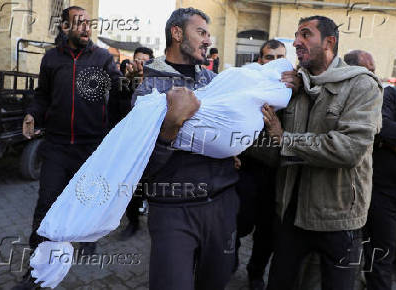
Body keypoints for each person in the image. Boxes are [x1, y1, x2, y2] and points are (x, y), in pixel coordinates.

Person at [248, 16, 383, 290]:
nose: (296, 42)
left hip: (339, 218)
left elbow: (349, 149)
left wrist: (287, 139)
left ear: (329, 42)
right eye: (296, 35)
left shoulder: (361, 85)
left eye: (305, 35)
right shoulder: (294, 87)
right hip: (290, 215)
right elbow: (274, 151)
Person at [131, 8, 239, 290]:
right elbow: (141, 165)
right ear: (177, 34)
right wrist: (171, 128)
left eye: (208, 34)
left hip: (221, 205)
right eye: (200, 32)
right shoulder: (149, 91)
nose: (208, 40)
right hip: (173, 210)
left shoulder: (215, 83)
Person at [15, 6, 122, 289]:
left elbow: (119, 92)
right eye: (79, 23)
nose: (87, 28)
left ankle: (86, 241)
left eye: (89, 23)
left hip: (91, 146)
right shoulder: (51, 59)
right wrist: (32, 114)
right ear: (65, 28)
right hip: (57, 144)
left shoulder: (102, 58)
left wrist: (131, 80)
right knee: (46, 205)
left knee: (87, 202)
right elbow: (42, 95)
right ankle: (36, 269)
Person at [234, 39, 298, 290]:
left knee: (268, 231)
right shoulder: (247, 86)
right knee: (240, 221)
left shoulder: (295, 92)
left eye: (279, 57)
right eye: (268, 57)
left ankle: (256, 272)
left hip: (279, 174)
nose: (273, 63)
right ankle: (230, 256)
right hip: (247, 169)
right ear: (260, 61)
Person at [364, 85, 396, 290]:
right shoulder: (394, 95)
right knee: (382, 255)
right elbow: (383, 125)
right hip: (384, 192)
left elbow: (392, 134)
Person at [114, 46, 155, 241]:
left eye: (145, 61)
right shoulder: (123, 85)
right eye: (137, 60)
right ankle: (133, 221)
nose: (140, 65)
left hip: (153, 146)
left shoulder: (158, 86)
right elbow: (116, 111)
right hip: (129, 146)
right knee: (132, 186)